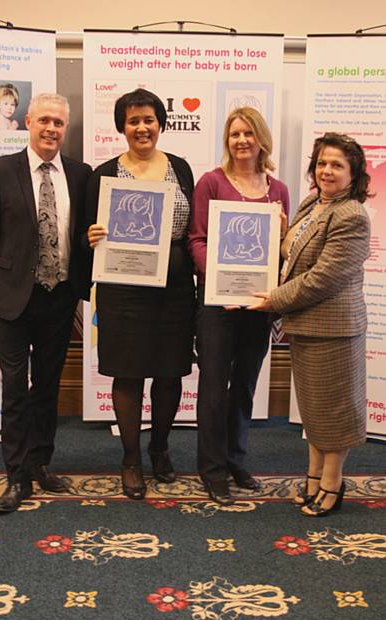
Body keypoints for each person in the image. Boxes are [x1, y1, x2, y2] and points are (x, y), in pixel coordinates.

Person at [0, 93, 92, 513]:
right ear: (28, 123)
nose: (51, 129)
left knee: (49, 386)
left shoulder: (80, 174)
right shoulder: (0, 169)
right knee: (16, 388)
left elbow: (81, 234)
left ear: (65, 128)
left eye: (59, 122)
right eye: (44, 121)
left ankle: (41, 462)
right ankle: (16, 475)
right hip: (10, 299)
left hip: (59, 298)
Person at [248, 132, 371, 517]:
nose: (327, 171)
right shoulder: (312, 204)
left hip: (334, 328)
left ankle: (332, 484)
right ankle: (314, 476)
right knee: (314, 410)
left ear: (353, 173)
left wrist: (272, 300)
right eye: (321, 163)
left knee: (333, 411)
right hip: (306, 325)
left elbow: (322, 278)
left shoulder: (350, 215)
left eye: (337, 165)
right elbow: (292, 255)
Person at [86, 88, 195, 500]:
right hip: (123, 291)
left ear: (160, 124)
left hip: (175, 290)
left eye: (149, 119)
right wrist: (90, 235)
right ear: (122, 127)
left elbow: (195, 228)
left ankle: (160, 449)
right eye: (133, 120)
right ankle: (130, 460)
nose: (142, 127)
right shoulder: (104, 173)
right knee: (128, 374)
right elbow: (84, 230)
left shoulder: (181, 169)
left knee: (169, 374)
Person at [188, 107, 289, 505]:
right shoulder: (211, 182)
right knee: (214, 387)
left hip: (258, 304)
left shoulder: (277, 189)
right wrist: (218, 285)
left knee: (245, 383)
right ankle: (211, 470)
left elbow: (281, 252)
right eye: (234, 134)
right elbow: (196, 239)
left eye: (248, 133)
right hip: (217, 305)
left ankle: (235, 459)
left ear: (261, 138)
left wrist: (284, 234)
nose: (241, 140)